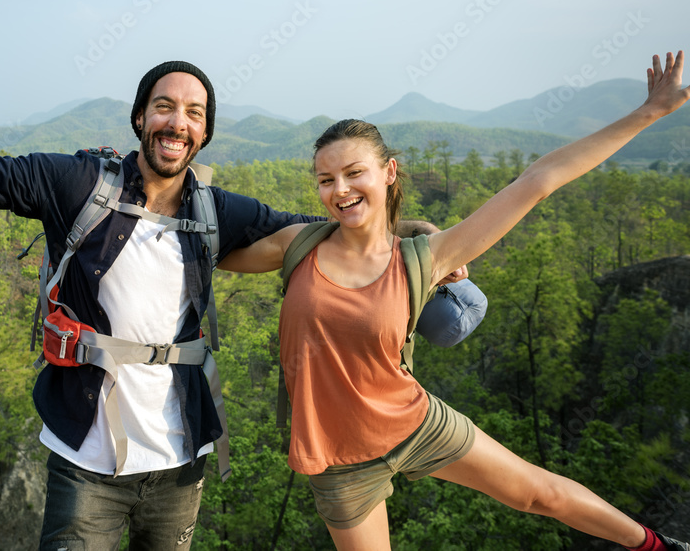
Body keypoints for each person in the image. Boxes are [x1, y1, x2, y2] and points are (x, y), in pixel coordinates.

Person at [0, 0, 481, 549]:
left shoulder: (213, 210)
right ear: (139, 118)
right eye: (164, 107)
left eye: (194, 113)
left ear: (203, 133)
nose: (178, 121)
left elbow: (317, 231)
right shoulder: (75, 183)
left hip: (182, 458)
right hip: (85, 455)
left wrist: (413, 236)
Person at [219, 52, 690, 550]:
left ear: (389, 173)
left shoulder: (426, 257)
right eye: (325, 179)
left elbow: (538, 181)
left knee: (537, 494)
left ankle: (660, 546)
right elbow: (209, 254)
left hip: (413, 421)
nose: (340, 189)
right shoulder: (296, 244)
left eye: (355, 173)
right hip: (338, 459)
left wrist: (649, 113)